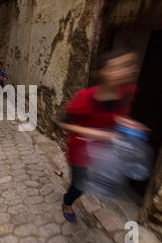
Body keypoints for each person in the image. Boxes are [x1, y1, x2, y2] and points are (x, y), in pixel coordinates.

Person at [57, 49, 140, 222]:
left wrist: (126, 122)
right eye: (115, 68)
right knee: (79, 186)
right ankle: (67, 202)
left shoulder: (127, 92)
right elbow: (63, 123)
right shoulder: (83, 97)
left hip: (104, 150)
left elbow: (119, 115)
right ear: (102, 73)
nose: (124, 71)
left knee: (99, 180)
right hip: (79, 150)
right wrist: (98, 134)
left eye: (127, 66)